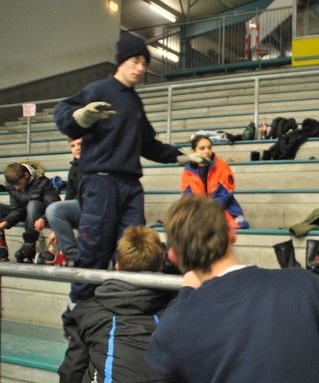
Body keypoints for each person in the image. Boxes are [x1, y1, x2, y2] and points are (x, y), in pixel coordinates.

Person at [147, 195, 319, 383]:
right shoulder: (303, 285)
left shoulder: (176, 322)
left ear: (173, 255)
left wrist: (186, 295)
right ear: (232, 233)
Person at [53, 33, 206, 304]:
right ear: (121, 61)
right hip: (101, 182)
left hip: (130, 186)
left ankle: (127, 307)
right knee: (94, 249)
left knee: (135, 250)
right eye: (134, 61)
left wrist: (183, 157)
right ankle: (78, 311)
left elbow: (148, 144)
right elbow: (63, 112)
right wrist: (81, 117)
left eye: (144, 63)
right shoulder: (99, 89)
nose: (140, 68)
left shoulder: (134, 101)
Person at [58, 225, 190, 383]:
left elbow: (71, 381)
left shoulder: (88, 312)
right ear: (161, 266)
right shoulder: (179, 312)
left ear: (117, 266)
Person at [180, 133, 249, 230]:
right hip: (199, 212)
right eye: (202, 148)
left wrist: (205, 213)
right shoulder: (188, 171)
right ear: (194, 151)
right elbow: (187, 196)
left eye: (209, 147)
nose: (207, 151)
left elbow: (223, 196)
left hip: (225, 210)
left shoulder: (222, 166)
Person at [0, 160, 60, 262]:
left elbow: (54, 205)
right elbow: (17, 209)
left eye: (18, 183)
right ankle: (2, 249)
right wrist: (6, 222)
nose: (16, 188)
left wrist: (43, 218)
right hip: (24, 213)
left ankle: (29, 245)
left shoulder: (43, 182)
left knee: (33, 204)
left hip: (41, 214)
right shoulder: (12, 185)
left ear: (26, 175)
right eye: (13, 185)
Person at [42, 137, 82, 265]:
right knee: (54, 210)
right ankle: (73, 257)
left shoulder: (99, 164)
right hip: (82, 208)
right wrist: (56, 229)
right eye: (72, 146)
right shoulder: (74, 169)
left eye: (80, 144)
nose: (77, 148)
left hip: (98, 207)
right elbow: (69, 196)